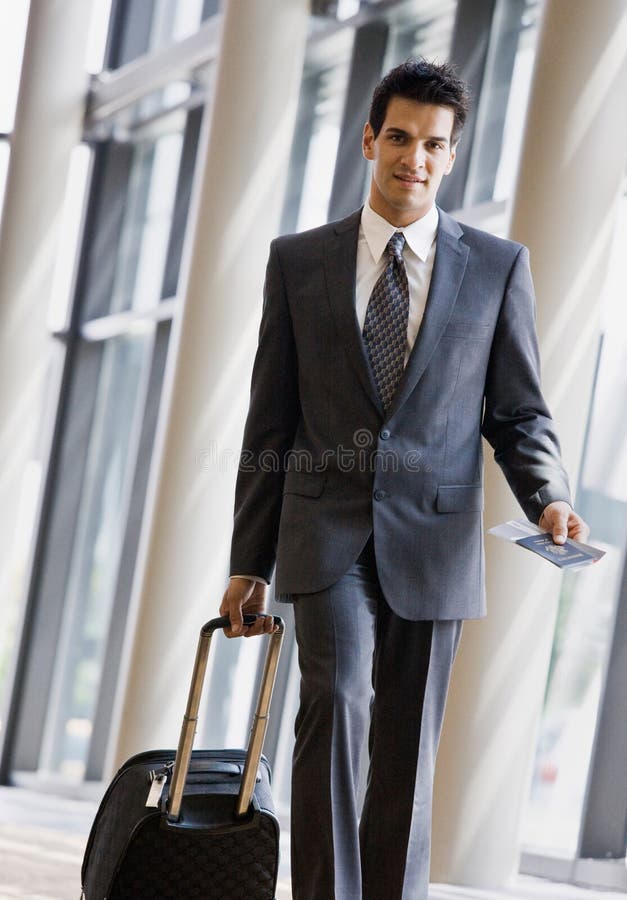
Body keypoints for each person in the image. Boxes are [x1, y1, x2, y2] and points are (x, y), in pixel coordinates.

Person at [220, 58, 588, 900]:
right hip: (324, 538)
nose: (411, 158)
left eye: (432, 144)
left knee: (406, 753)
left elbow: (518, 412)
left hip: (436, 536)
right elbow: (269, 423)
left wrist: (550, 495)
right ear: (367, 140)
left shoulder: (495, 267)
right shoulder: (298, 260)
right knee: (336, 707)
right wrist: (250, 561)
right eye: (397, 137)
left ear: (451, 156)